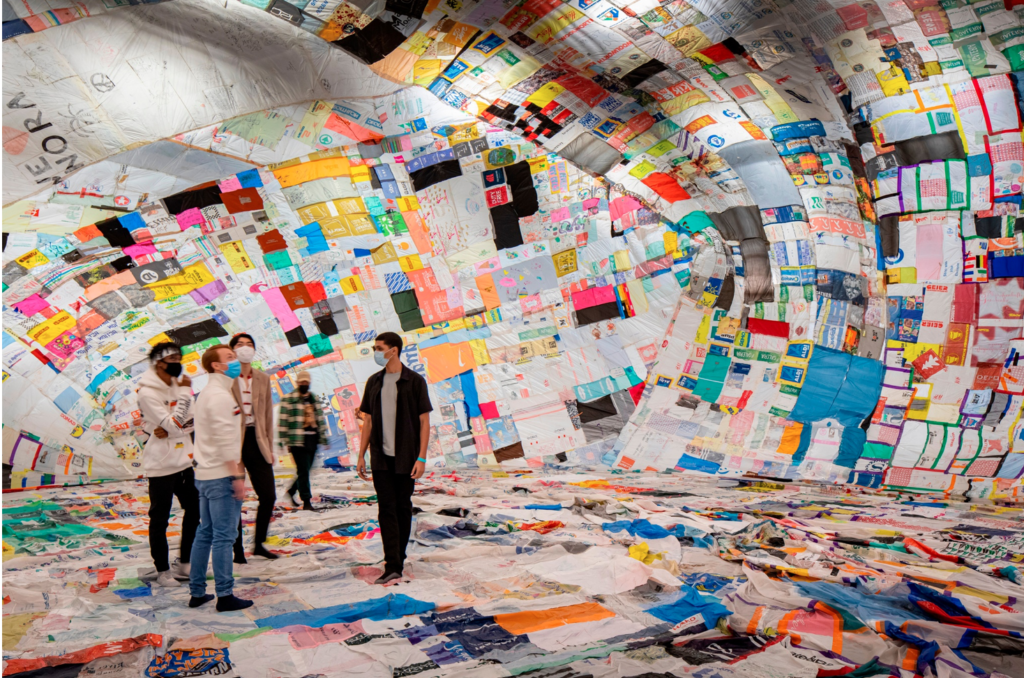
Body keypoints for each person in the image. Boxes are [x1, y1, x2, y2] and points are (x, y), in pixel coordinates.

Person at [357, 332, 432, 585]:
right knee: (385, 509)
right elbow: (367, 420)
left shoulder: (414, 381)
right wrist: (361, 455)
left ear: (394, 350)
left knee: (402, 507)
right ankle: (392, 564)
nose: (376, 352)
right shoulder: (374, 381)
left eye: (379, 348)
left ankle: (398, 558)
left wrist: (421, 458)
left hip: (406, 455)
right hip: (380, 457)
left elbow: (424, 421)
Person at [189, 344, 252, 612]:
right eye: (230, 358)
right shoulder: (221, 396)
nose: (236, 360)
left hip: (203, 473)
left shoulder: (205, 394)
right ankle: (225, 595)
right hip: (221, 475)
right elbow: (227, 439)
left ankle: (197, 592)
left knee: (205, 532)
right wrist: (237, 474)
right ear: (216, 365)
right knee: (225, 537)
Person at [136, 342, 199, 588]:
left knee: (196, 509)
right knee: (159, 518)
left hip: (185, 461)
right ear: (159, 362)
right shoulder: (147, 392)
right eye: (171, 357)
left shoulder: (177, 385)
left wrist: (169, 426)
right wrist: (164, 425)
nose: (177, 361)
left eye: (178, 356)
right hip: (161, 466)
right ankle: (162, 569)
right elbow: (171, 425)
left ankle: (185, 561)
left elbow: (190, 422)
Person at [228, 333, 278, 562]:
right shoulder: (226, 378)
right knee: (235, 498)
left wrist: (269, 445)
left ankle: (258, 543)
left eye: (249, 344)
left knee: (268, 495)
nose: (245, 348)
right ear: (232, 351)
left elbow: (267, 414)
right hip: (233, 442)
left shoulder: (262, 378)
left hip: (256, 440)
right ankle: (237, 549)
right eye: (240, 345)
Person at [277, 370, 327, 511]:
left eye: (306, 382)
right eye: (302, 382)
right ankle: (306, 501)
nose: (304, 384)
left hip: (312, 439)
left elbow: (320, 419)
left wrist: (323, 438)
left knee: (305, 470)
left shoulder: (313, 398)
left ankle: (292, 491)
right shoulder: (289, 399)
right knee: (303, 471)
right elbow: (283, 421)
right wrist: (283, 442)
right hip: (296, 440)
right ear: (298, 383)